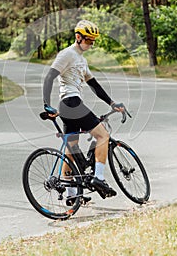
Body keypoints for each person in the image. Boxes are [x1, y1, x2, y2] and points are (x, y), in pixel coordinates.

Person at [43, 20, 125, 205]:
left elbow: (93, 85)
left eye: (93, 41)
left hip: (69, 106)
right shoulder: (67, 54)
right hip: (71, 103)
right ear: (78, 37)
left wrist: (112, 103)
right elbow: (49, 77)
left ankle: (73, 194)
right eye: (88, 40)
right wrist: (46, 104)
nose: (90, 44)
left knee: (71, 150)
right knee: (103, 135)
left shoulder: (81, 59)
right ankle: (99, 178)